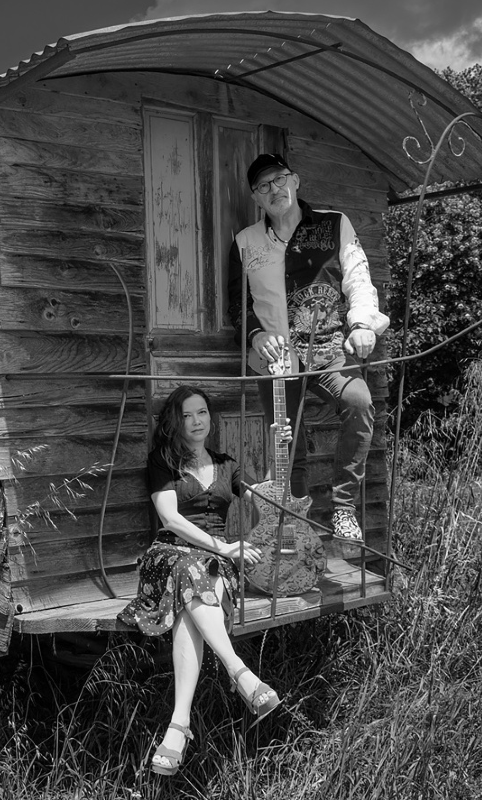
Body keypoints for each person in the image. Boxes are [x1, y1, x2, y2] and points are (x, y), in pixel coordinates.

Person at [117, 386, 284, 776]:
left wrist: (280, 447)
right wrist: (224, 548)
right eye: (188, 415)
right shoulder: (163, 461)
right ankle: (239, 672)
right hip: (169, 554)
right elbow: (170, 520)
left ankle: (178, 726)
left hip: (210, 564)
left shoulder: (227, 464)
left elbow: (269, 496)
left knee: (191, 606)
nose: (196, 422)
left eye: (202, 413)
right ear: (175, 421)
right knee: (189, 571)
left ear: (211, 418)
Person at [235, 153, 388, 544]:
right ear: (256, 197)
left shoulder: (335, 225)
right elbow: (236, 305)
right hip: (277, 362)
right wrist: (255, 335)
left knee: (359, 402)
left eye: (280, 179)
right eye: (263, 186)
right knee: (287, 444)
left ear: (296, 181)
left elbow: (358, 278)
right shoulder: (245, 242)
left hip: (330, 351)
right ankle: (296, 527)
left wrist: (360, 323)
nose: (274, 190)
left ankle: (343, 508)